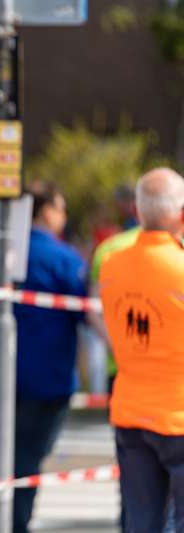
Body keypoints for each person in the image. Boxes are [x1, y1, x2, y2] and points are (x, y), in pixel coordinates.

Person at [0, 180, 87, 533]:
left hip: (0, 375)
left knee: (3, 451)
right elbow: (85, 314)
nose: (64, 216)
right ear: (45, 210)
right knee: (27, 459)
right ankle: (10, 524)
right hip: (49, 380)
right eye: (61, 208)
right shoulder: (63, 258)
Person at [99, 168, 184, 532]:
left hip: (131, 411)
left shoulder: (111, 265)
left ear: (136, 210)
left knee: (141, 522)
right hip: (177, 413)